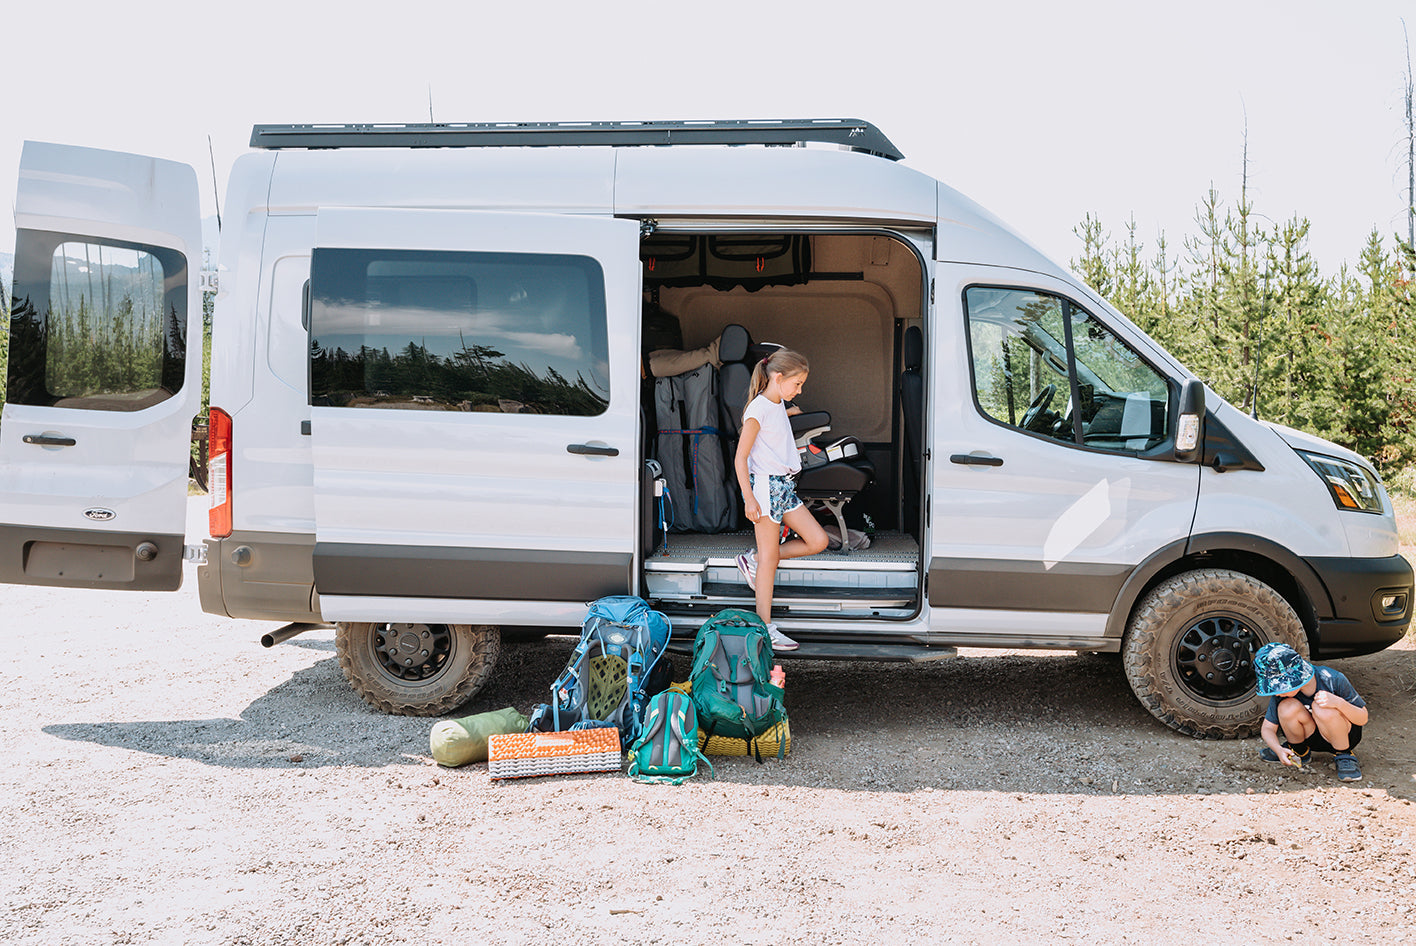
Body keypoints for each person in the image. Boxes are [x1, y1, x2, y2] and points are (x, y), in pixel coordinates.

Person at [733, 348, 829, 652]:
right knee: (771, 559)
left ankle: (756, 559)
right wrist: (748, 498)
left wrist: (788, 413)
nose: (799, 390)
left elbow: (773, 425)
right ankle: (765, 627)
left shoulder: (775, 405)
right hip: (764, 489)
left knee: (818, 540)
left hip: (784, 488)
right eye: (796, 384)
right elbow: (740, 457)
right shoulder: (759, 408)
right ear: (778, 377)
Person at [1254, 642, 1368, 782]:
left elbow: (1363, 717)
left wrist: (1339, 703)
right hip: (1312, 736)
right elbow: (1267, 728)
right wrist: (1278, 749)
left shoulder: (1332, 679)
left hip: (1344, 735)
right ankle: (1299, 750)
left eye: (1279, 687)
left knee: (1322, 707)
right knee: (1286, 707)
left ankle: (1344, 755)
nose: (1277, 692)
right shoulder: (1282, 695)